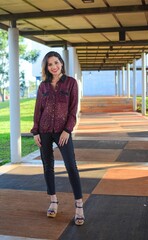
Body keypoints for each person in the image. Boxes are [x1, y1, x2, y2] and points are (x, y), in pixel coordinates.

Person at [30, 51, 85, 226]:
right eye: (49, 64)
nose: (53, 67)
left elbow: (73, 109)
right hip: (44, 131)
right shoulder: (43, 87)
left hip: (63, 132)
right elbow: (38, 110)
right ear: (46, 67)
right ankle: (53, 200)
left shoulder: (70, 83)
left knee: (71, 166)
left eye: (56, 62)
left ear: (61, 63)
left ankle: (79, 206)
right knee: (48, 166)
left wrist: (67, 130)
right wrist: (36, 131)